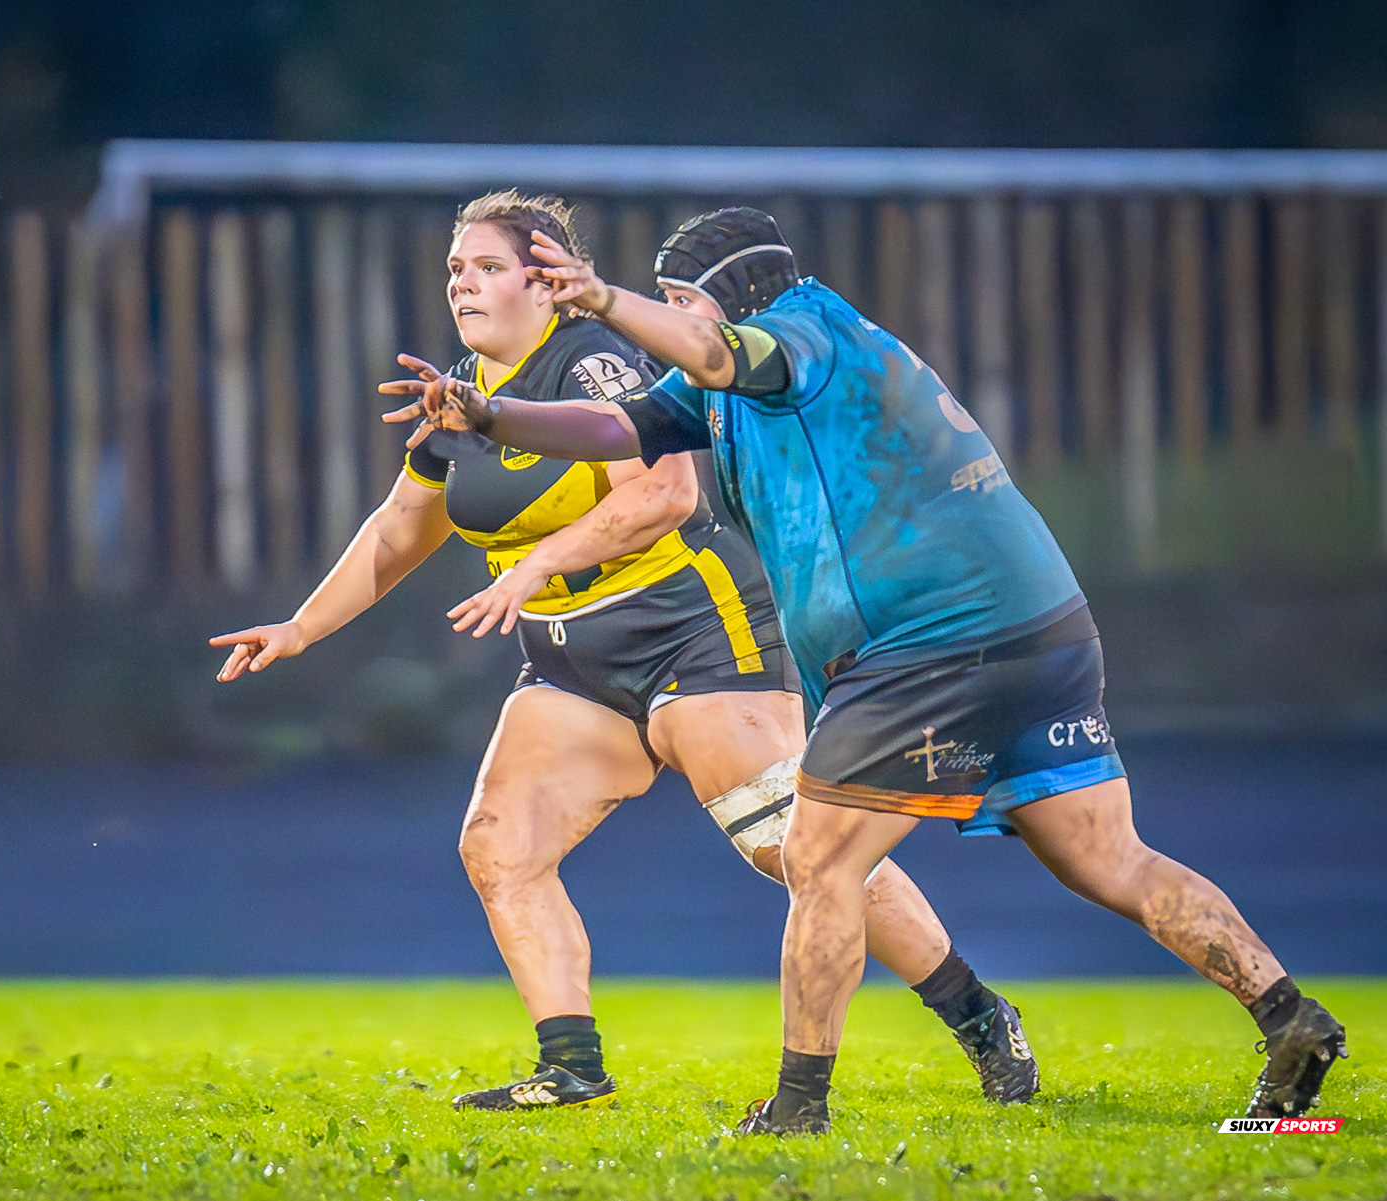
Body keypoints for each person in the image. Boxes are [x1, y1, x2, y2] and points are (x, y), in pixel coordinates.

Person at [380, 206, 1347, 1135]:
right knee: (1105, 856)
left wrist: (601, 299)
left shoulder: (803, 334)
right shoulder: (737, 369)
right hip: (1039, 626)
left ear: (736, 293)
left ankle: (801, 1103)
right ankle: (1288, 1016)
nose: (674, 320)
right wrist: (490, 413)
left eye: (684, 299)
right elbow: (615, 429)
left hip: (931, 640)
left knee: (819, 857)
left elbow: (722, 355)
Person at [214, 192, 1039, 1113]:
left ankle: (977, 1012)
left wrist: (534, 565)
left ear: (546, 277)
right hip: (572, 658)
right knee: (499, 847)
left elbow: (666, 492)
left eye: (487, 266)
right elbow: (400, 527)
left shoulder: (594, 361)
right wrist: (299, 627)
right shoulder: (464, 389)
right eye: (455, 269)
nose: (463, 284)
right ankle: (571, 1067)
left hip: (691, 628)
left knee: (794, 850)